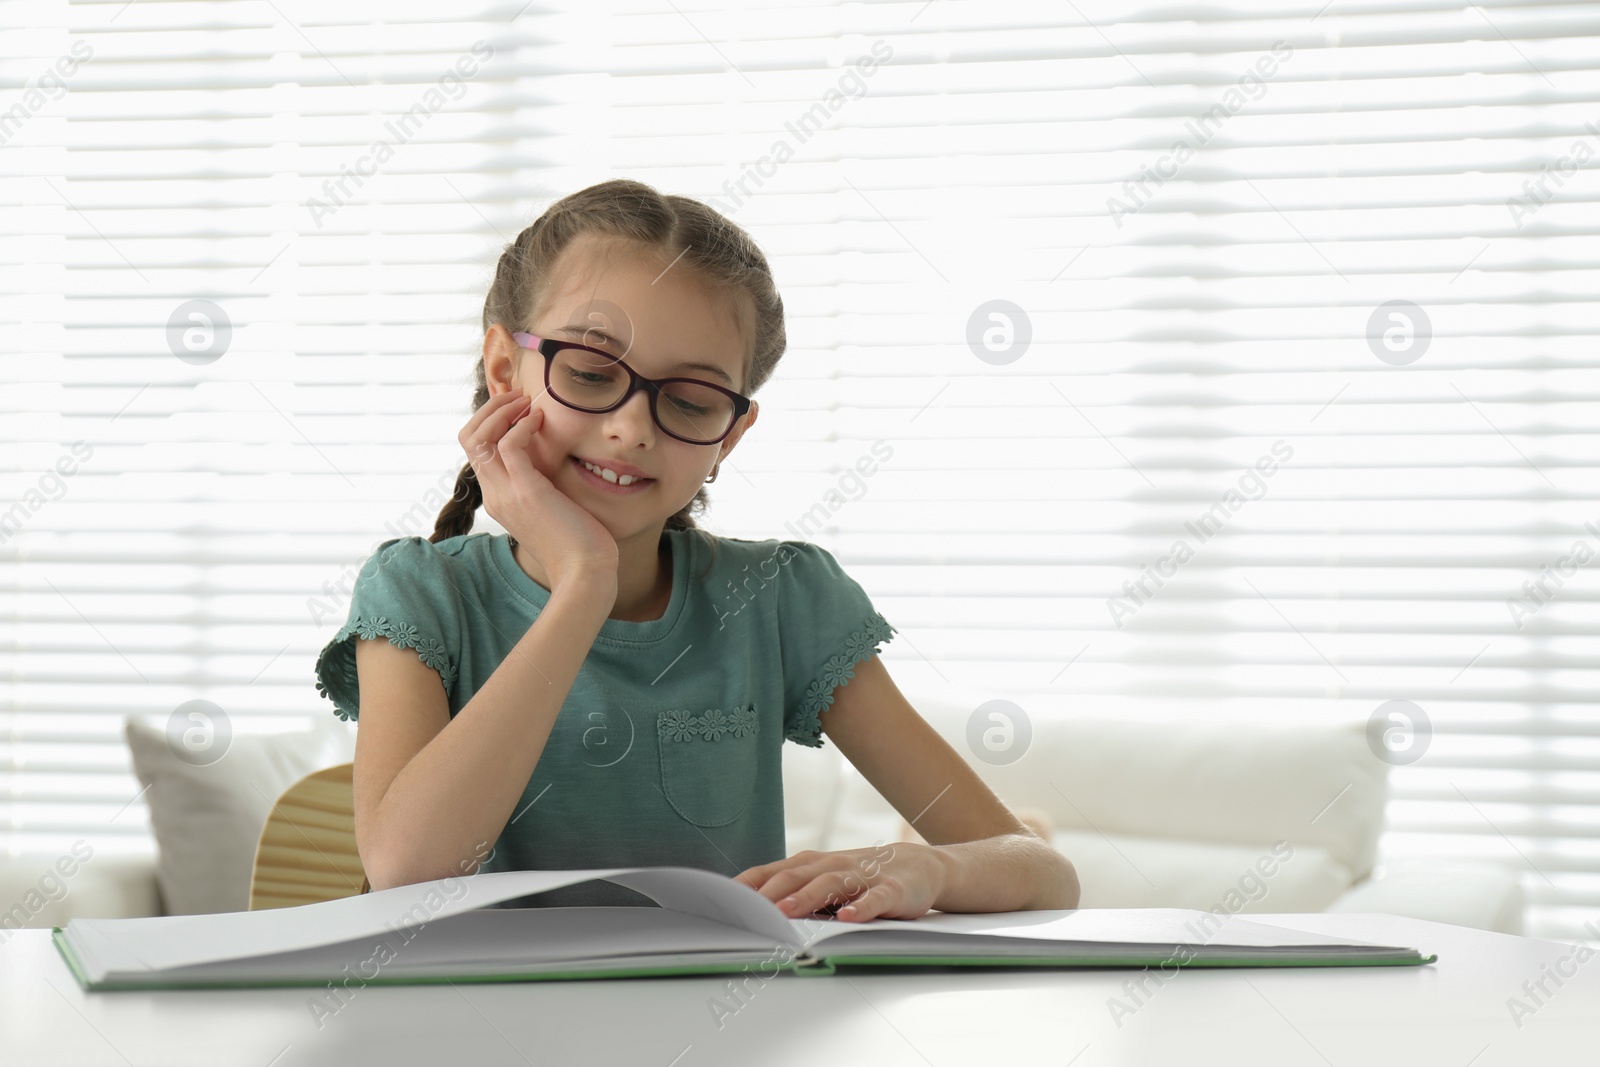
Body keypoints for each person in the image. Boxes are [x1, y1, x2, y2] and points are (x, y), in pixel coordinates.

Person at [313, 178, 1079, 921]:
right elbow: (408, 871)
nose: (632, 427)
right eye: (588, 371)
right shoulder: (418, 592)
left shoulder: (782, 599)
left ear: (731, 434)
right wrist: (585, 583)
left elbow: (1046, 877)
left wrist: (932, 863)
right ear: (505, 369)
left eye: (690, 399)